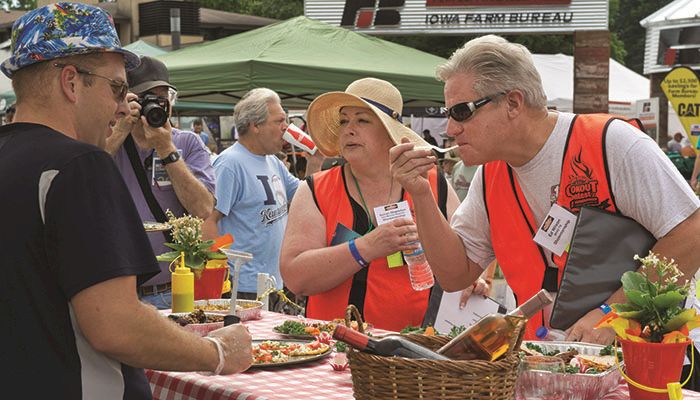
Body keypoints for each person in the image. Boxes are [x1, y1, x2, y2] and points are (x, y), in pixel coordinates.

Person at [0, 3, 251, 399]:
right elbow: (115, 324)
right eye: (117, 87)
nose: (122, 105)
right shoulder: (80, 164)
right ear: (70, 82)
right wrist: (217, 352)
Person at [390, 35, 700, 344]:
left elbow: (692, 232)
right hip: (550, 361)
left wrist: (614, 312)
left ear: (513, 102)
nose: (450, 129)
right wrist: (421, 193)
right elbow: (455, 274)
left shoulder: (611, 142)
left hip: (643, 357)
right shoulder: (490, 176)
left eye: (462, 112)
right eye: (448, 115)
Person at [280, 78, 465, 331]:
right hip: (334, 351)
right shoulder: (315, 189)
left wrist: (472, 280)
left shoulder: (432, 183)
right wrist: (365, 247)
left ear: (391, 133)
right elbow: (295, 277)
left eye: (362, 120)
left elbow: (466, 256)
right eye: (344, 120)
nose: (348, 129)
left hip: (418, 348)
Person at [105, 56, 216, 309]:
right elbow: (84, 176)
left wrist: (167, 149)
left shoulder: (187, 143)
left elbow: (203, 209)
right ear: (127, 100)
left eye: (162, 98)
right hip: (120, 291)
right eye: (146, 98)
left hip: (172, 289)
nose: (155, 105)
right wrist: (120, 131)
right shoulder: (107, 142)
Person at [203, 88, 323, 307]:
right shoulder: (229, 164)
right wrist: (219, 275)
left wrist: (315, 161)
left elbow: (305, 198)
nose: (286, 129)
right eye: (279, 121)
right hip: (243, 288)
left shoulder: (271, 160)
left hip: (274, 283)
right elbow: (208, 220)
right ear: (255, 126)